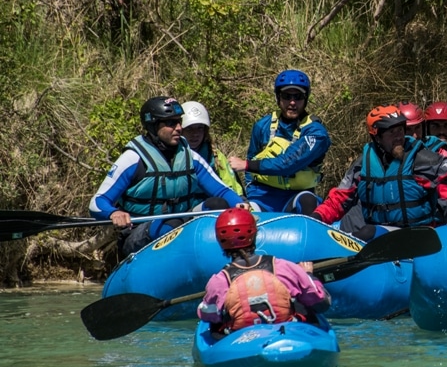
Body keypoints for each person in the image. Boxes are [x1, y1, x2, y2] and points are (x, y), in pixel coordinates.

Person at [312, 105, 447, 238]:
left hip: (420, 235)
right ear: (376, 138)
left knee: (367, 232)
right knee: (364, 232)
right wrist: (317, 218)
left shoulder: (421, 158)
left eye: (400, 130)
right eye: (391, 132)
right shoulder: (362, 165)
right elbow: (338, 200)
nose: (398, 137)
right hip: (384, 233)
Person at [90, 96, 246, 256]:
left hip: (182, 224)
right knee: (171, 222)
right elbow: (97, 202)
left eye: (179, 121)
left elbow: (222, 191)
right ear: (153, 126)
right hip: (139, 233)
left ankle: (215, 255)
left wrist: (240, 205)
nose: (179, 127)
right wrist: (113, 213)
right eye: (171, 123)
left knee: (217, 204)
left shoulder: (190, 156)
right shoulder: (133, 158)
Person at [197, 208, 331, 333]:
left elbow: (208, 316)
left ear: (220, 241)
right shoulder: (284, 267)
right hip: (287, 332)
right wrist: (308, 275)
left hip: (241, 337)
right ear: (254, 234)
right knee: (301, 304)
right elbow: (321, 303)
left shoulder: (219, 281)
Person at [229, 70, 331, 215]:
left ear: (306, 98)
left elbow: (288, 163)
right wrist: (248, 197)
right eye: (286, 96)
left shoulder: (316, 132)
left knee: (308, 202)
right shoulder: (262, 126)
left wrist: (246, 165)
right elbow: (251, 167)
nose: (292, 102)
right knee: (243, 213)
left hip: (297, 195)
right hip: (262, 196)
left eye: (298, 97)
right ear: (278, 97)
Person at [180, 101, 243, 196]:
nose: (195, 134)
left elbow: (231, 186)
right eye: (189, 129)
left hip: (209, 206)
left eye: (200, 128)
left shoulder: (215, 156)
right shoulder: (174, 155)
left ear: (205, 131)